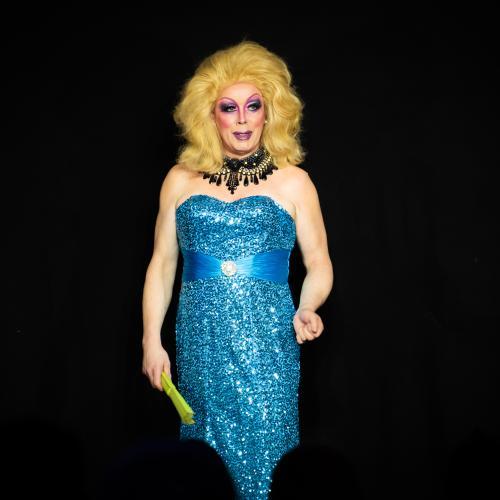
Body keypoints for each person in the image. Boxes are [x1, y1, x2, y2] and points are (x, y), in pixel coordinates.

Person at [141, 40, 334, 499]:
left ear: (270, 113)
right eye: (229, 108)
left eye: (253, 106)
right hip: (200, 342)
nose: (243, 119)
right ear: (210, 115)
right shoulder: (179, 179)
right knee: (202, 462)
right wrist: (151, 339)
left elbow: (320, 264)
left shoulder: (295, 182)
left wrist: (307, 306)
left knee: (267, 453)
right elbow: (162, 264)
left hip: (268, 344)